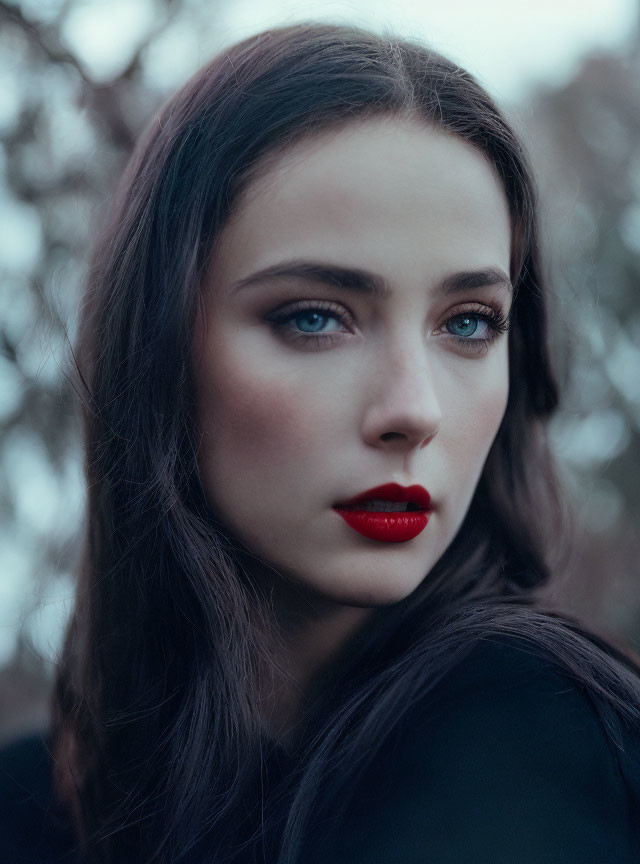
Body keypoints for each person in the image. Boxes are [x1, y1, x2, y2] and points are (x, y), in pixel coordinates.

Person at [1, 20, 639, 864]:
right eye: (314, 317)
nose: (414, 411)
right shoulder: (32, 805)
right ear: (159, 350)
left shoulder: (531, 725)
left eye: (469, 323)